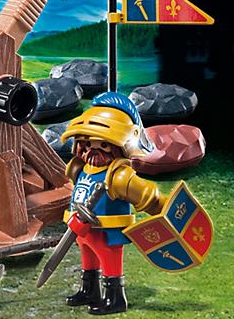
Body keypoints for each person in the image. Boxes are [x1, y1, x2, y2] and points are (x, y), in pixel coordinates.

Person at [61, 92, 166, 315]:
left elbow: (148, 195)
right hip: (81, 228)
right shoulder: (80, 168)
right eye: (87, 143)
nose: (93, 150)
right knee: (88, 259)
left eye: (103, 145)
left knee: (109, 261)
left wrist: (166, 209)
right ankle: (89, 291)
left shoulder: (118, 176)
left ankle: (115, 299)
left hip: (106, 232)